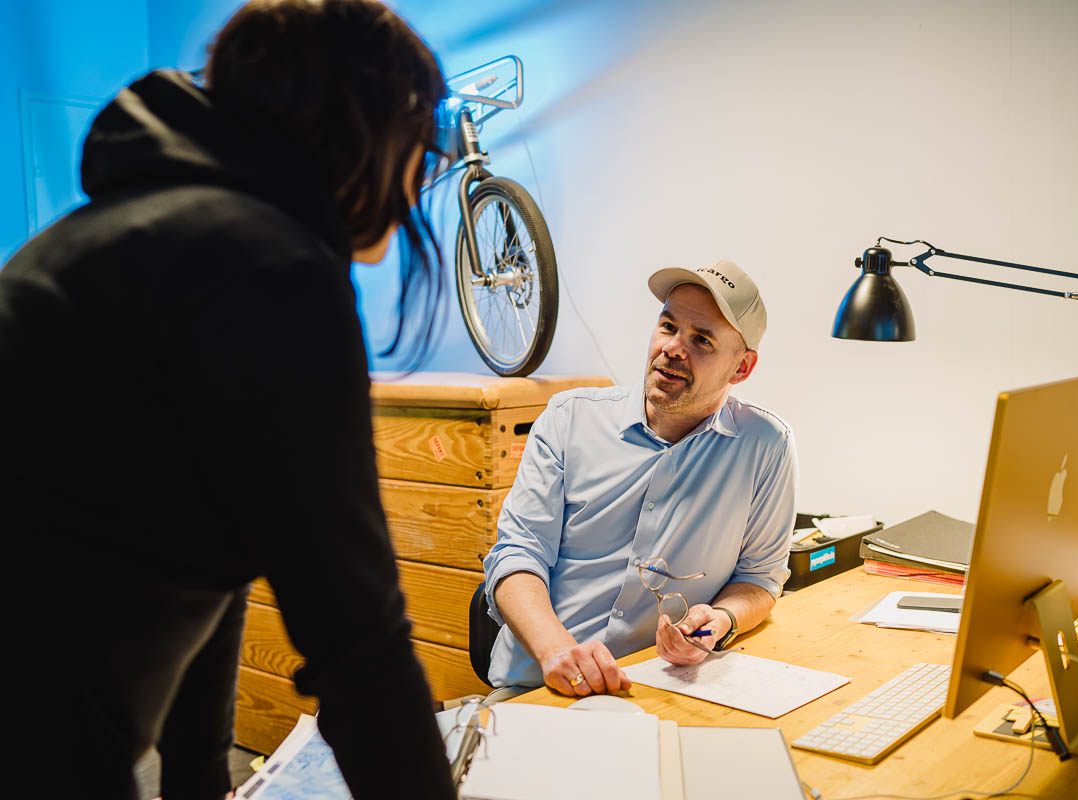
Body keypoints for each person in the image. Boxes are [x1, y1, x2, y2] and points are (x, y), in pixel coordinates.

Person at [1, 2, 457, 798]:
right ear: (364, 128)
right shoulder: (270, 270)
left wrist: (201, 776)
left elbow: (205, 547)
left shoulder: (120, 235)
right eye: (422, 144)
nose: (422, 175)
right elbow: (360, 646)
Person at [483, 260, 798, 694]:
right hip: (539, 689)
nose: (673, 348)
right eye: (668, 326)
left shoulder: (766, 445)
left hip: (659, 689)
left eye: (701, 339)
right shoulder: (569, 418)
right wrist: (556, 649)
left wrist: (719, 622)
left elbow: (760, 579)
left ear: (741, 368)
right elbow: (517, 554)